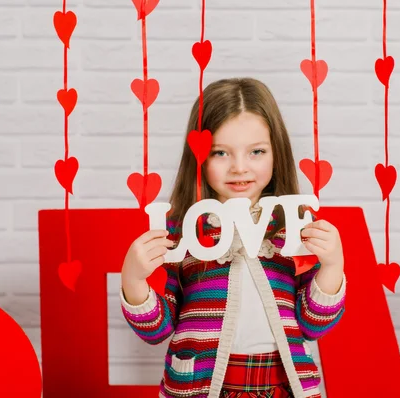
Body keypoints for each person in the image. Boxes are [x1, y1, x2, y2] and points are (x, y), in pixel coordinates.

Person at [120, 77, 346, 398]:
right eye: (221, 153)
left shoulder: (291, 229)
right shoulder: (183, 231)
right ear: (199, 157)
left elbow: (314, 326)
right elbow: (158, 330)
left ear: (276, 153)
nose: (239, 168)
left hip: (281, 384)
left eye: (256, 151)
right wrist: (133, 280)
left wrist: (332, 266)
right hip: (200, 385)